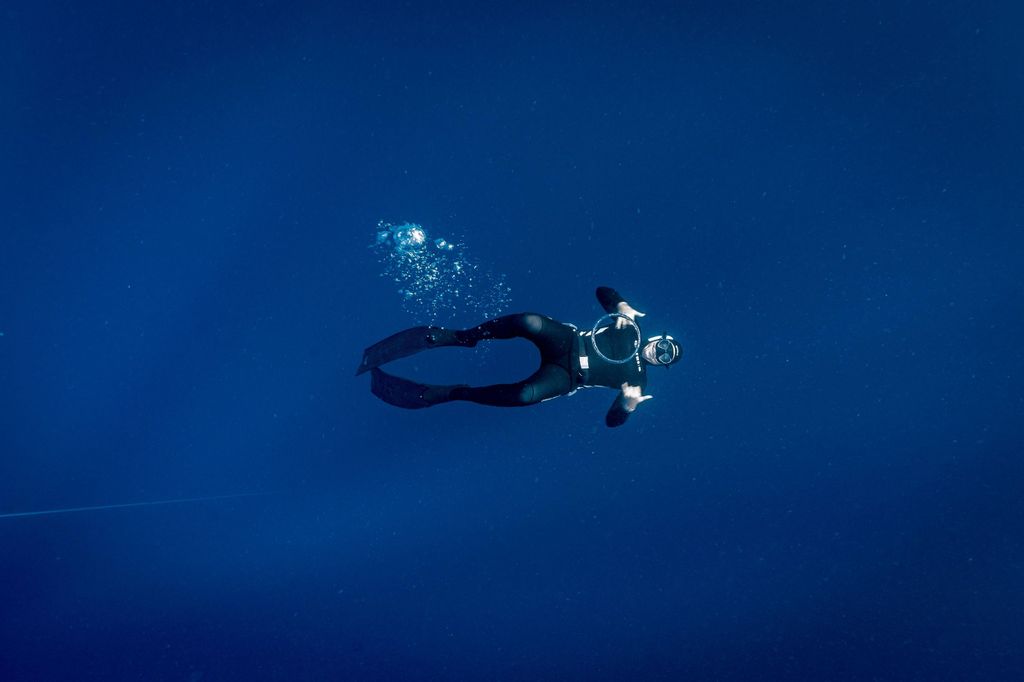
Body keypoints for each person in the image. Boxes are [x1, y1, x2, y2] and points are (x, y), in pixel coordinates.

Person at [356, 286, 681, 427]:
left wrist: (626, 405)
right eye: (664, 345)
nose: (660, 352)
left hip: (569, 377)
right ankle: (463, 337)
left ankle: (456, 393)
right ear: (658, 337)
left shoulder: (637, 381)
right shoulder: (631, 326)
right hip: (568, 341)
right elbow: (602, 290)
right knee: (528, 321)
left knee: (525, 396)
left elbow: (612, 422)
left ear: (661, 364)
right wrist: (620, 304)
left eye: (665, 357)